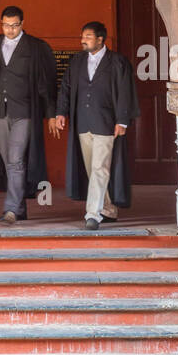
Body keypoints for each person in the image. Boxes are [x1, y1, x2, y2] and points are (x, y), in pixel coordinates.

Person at [0, 5, 58, 223]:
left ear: (22, 24)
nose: (10, 30)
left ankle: (11, 209)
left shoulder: (36, 47)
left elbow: (46, 84)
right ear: (1, 24)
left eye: (14, 25)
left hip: (25, 111)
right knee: (7, 159)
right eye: (6, 25)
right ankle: (19, 208)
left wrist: (52, 114)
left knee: (15, 159)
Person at [54, 21, 141, 231]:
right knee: (93, 169)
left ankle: (92, 214)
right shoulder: (77, 61)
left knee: (99, 168)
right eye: (83, 36)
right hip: (83, 122)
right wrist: (60, 112)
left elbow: (125, 92)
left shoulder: (117, 62)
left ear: (101, 39)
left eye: (88, 36)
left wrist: (122, 120)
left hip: (106, 123)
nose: (83, 40)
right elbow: (65, 88)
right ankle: (108, 210)